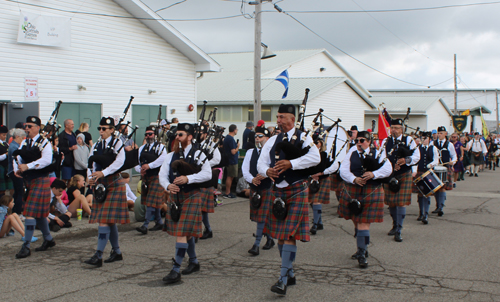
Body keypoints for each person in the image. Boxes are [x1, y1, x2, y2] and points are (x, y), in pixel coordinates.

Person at [257, 104, 321, 296]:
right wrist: (266, 171)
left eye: (282, 117)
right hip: (277, 190)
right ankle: (290, 272)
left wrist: (291, 163)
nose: (278, 121)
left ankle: (283, 279)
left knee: (289, 235)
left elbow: (315, 157)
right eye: (277, 117)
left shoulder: (303, 137)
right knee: (281, 236)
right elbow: (262, 161)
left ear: (292, 119)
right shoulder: (273, 140)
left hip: (296, 190)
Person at [158, 123, 212, 285]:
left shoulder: (199, 154)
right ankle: (194, 261)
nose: (177, 137)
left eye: (181, 134)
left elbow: (208, 174)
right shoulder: (170, 156)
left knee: (181, 232)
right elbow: (162, 175)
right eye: (176, 134)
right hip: (176, 198)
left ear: (189, 137)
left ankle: (175, 270)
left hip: (191, 196)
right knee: (186, 233)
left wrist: (189, 178)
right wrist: (167, 185)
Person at [339, 131, 392, 268]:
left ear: (369, 141)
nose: (358, 143)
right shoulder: (352, 152)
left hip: (371, 190)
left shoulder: (379, 152)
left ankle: (362, 253)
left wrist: (373, 174)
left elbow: (388, 169)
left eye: (362, 140)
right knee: (356, 220)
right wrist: (353, 179)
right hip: (353, 189)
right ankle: (362, 246)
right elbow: (343, 170)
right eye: (357, 140)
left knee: (363, 222)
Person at [84, 117, 130, 267]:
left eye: (104, 129)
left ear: (112, 130)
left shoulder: (118, 143)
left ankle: (98, 255)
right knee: (109, 221)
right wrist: (90, 177)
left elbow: (120, 162)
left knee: (104, 220)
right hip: (99, 184)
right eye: (100, 128)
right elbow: (90, 162)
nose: (101, 131)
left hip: (113, 183)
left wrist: (103, 172)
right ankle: (116, 252)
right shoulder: (96, 144)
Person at [14, 116, 55, 258]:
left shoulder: (44, 142)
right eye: (26, 126)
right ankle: (49, 239)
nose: (27, 129)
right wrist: (17, 169)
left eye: (30, 126)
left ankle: (26, 246)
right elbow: (17, 157)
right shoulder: (25, 142)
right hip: (29, 180)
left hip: (40, 179)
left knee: (30, 213)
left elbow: (46, 160)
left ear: (38, 127)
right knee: (40, 215)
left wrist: (28, 166)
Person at [381, 118, 420, 242]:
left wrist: (405, 161)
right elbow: (382, 157)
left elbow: (416, 156)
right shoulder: (386, 142)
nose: (394, 130)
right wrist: (390, 165)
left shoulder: (409, 140)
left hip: (404, 174)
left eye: (397, 128)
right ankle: (394, 224)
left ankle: (399, 229)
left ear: (402, 129)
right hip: (390, 174)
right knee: (391, 202)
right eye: (392, 128)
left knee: (401, 202)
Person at [242, 126, 275, 256]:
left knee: (262, 217)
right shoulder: (250, 152)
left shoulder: (272, 152)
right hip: (255, 187)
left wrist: (265, 174)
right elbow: (245, 169)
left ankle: (256, 245)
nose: (257, 138)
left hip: (267, 187)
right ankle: (270, 239)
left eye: (260, 136)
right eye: (256, 136)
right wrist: (252, 179)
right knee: (262, 216)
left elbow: (274, 168)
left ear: (267, 138)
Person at [135, 126, 167, 235]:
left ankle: (145, 225)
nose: (148, 136)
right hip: (146, 178)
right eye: (147, 134)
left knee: (150, 201)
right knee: (153, 201)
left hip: (157, 177)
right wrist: (141, 170)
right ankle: (159, 222)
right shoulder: (141, 148)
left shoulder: (161, 147)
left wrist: (149, 166)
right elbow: (136, 162)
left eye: (151, 134)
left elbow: (162, 159)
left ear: (155, 135)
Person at [309, 138, 339, 235]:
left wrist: (322, 173)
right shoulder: (308, 155)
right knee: (313, 202)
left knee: (316, 200)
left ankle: (315, 224)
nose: (314, 144)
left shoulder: (326, 155)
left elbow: (335, 166)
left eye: (316, 142)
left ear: (321, 144)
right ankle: (319, 222)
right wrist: (311, 175)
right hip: (312, 179)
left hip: (323, 179)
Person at [198, 122, 221, 240]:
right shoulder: (194, 145)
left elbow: (217, 159)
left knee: (201, 208)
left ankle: (205, 230)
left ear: (206, 134)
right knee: (199, 207)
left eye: (200, 133)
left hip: (206, 179)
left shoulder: (211, 145)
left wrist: (204, 165)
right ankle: (207, 229)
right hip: (195, 178)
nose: (198, 134)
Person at [411, 133, 439, 224]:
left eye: (425, 138)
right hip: (419, 172)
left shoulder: (433, 148)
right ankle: (421, 212)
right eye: (422, 138)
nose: (424, 140)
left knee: (427, 193)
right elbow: (415, 161)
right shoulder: (418, 148)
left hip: (428, 173)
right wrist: (414, 170)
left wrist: (431, 164)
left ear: (429, 139)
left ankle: (426, 215)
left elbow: (436, 160)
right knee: (420, 194)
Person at [431, 126, 457, 217]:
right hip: (435, 168)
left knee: (442, 187)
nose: (439, 135)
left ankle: (440, 207)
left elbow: (454, 157)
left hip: (445, 168)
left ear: (445, 134)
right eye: (438, 133)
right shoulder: (433, 143)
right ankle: (438, 205)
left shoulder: (449, 144)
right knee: (436, 188)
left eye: (441, 133)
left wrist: (452, 162)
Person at [8, 128, 26, 215]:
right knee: (19, 192)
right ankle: (18, 211)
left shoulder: (13, 145)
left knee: (17, 191)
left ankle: (15, 209)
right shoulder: (14, 147)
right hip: (14, 171)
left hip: (13, 171)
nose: (23, 140)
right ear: (17, 136)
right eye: (22, 138)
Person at [223, 124, 239, 198]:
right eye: (236, 129)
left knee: (229, 176)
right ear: (234, 130)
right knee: (230, 176)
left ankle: (227, 192)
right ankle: (228, 192)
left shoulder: (227, 138)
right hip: (232, 160)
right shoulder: (231, 139)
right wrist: (238, 147)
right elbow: (233, 151)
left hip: (227, 159)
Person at [0, 125, 12, 197]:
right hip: (0, 167)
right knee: (1, 189)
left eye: (5, 135)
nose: (5, 136)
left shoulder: (6, 144)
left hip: (6, 168)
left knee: (6, 189)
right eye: (3, 135)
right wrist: (6, 155)